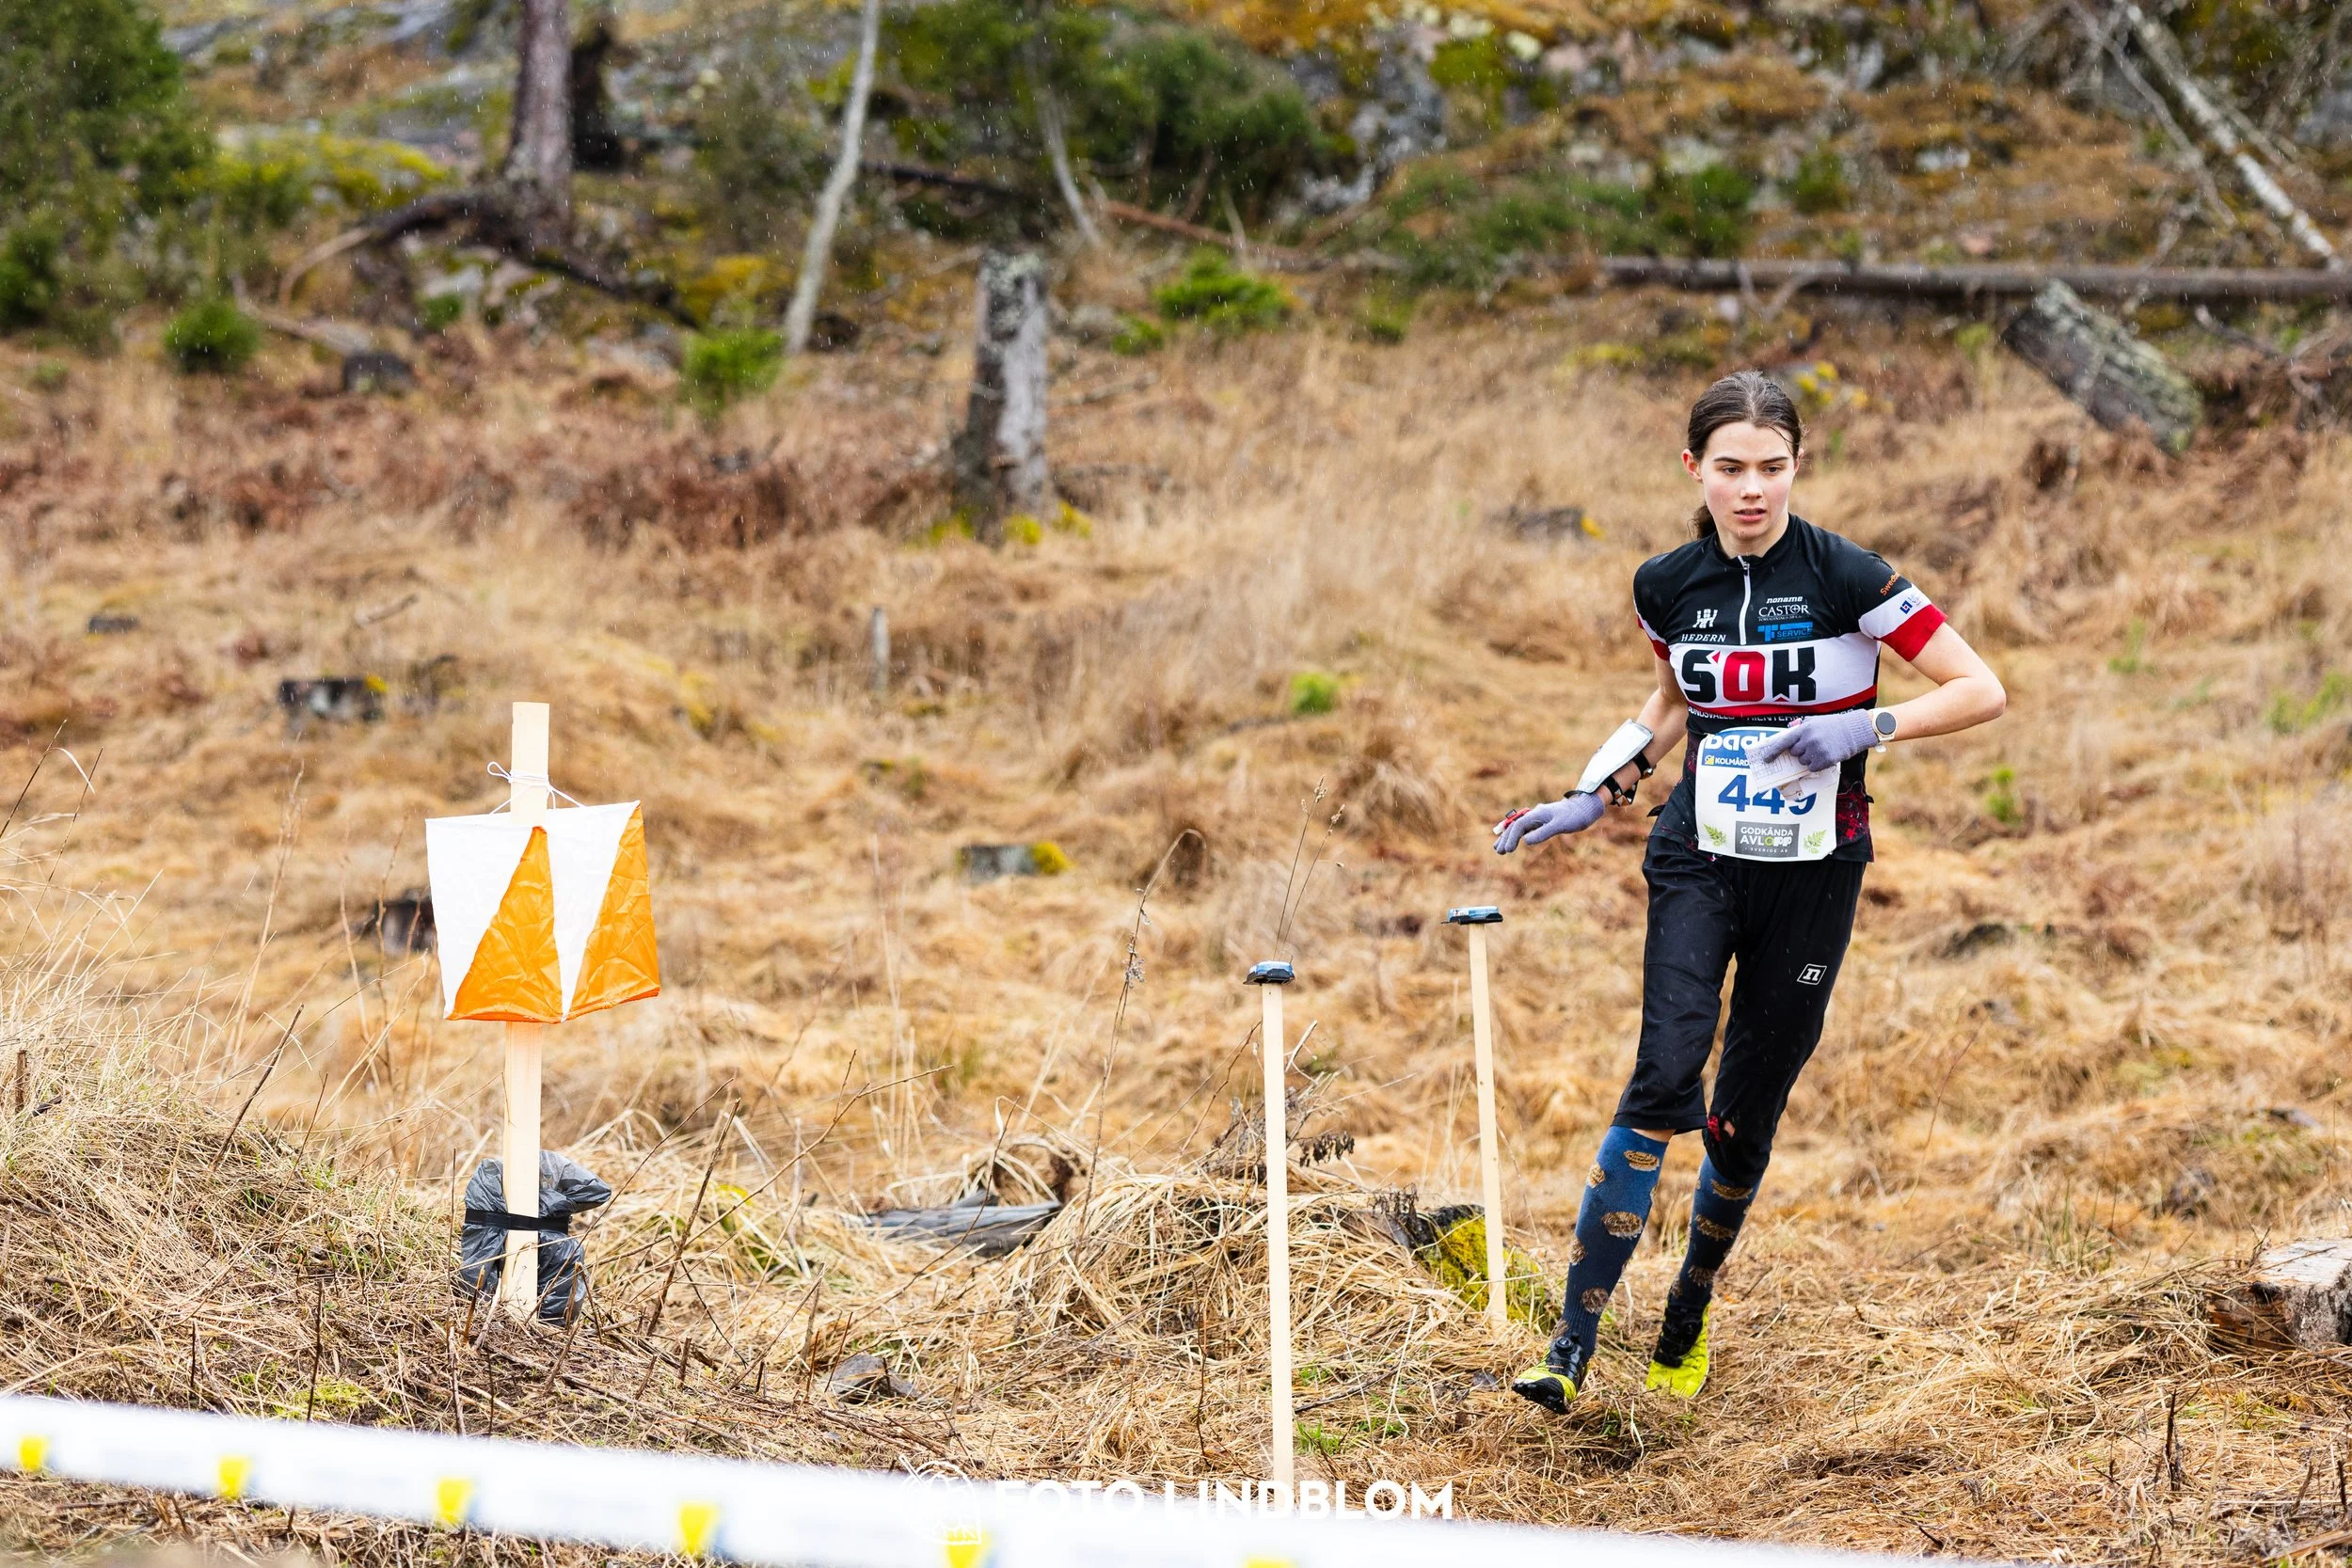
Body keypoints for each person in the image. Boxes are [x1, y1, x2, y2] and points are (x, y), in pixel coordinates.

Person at [1492, 371, 2006, 1410]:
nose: (1752, 490)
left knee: (1741, 1118)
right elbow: (1675, 694)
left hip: (1816, 873)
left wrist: (1869, 725)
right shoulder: (1664, 582)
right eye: (1730, 469)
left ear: (1796, 468)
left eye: (1771, 468)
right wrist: (1595, 789)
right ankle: (1568, 1344)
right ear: (1696, 471)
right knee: (1660, 1074)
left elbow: (1980, 686)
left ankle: (1689, 1303)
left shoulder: (1849, 574)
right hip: (1698, 855)